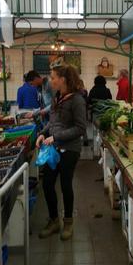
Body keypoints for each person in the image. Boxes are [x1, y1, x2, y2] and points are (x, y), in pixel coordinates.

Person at [36, 65, 87, 241]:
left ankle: (68, 222)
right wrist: (43, 134)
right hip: (54, 149)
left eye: (53, 77)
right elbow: (52, 122)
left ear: (63, 79)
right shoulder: (57, 97)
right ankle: (53, 220)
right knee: (47, 184)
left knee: (65, 185)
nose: (51, 80)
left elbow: (80, 128)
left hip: (70, 150)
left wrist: (56, 136)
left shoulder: (77, 100)